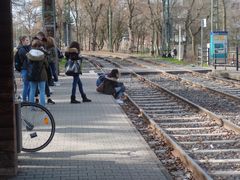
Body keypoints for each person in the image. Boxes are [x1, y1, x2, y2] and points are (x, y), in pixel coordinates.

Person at [26, 39, 48, 106]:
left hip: (32, 74)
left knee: (32, 90)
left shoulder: (29, 54)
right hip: (42, 74)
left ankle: (32, 107)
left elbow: (28, 64)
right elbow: (47, 65)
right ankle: (43, 107)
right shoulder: (43, 54)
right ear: (40, 46)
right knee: (42, 91)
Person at [16, 35, 31, 101]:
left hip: (27, 68)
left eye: (28, 40)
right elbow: (26, 58)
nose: (28, 41)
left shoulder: (27, 48)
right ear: (22, 41)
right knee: (26, 85)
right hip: (25, 69)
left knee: (29, 85)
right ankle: (25, 100)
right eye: (26, 40)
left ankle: (27, 100)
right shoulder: (21, 49)